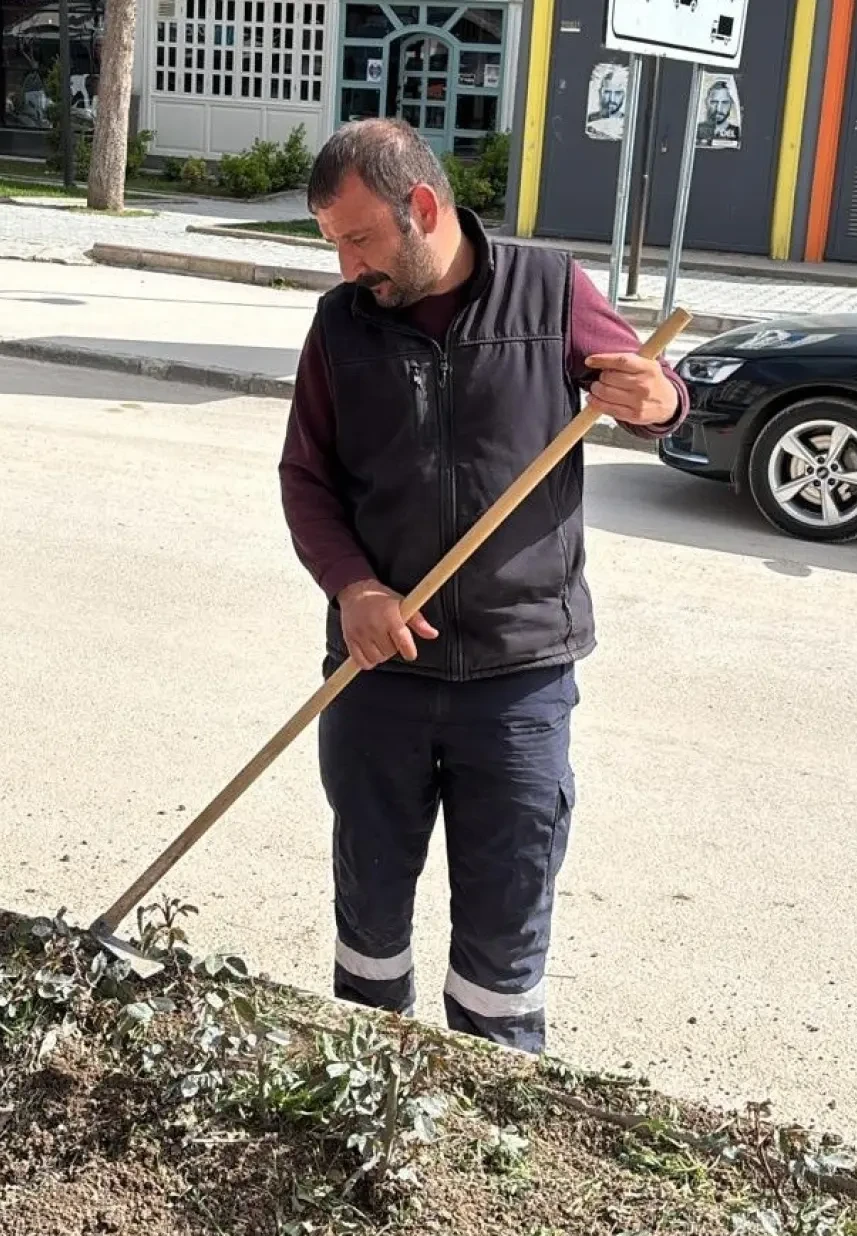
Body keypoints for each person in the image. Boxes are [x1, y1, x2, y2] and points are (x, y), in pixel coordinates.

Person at [278, 119, 688, 1054]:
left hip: (518, 682)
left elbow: (651, 391)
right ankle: (365, 1089)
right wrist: (353, 590)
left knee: (505, 943)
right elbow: (305, 478)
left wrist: (657, 400)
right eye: (333, 244)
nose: (347, 269)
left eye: (358, 239)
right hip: (376, 676)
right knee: (370, 917)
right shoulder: (343, 326)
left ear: (421, 209)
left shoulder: (548, 290)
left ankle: (494, 1116)